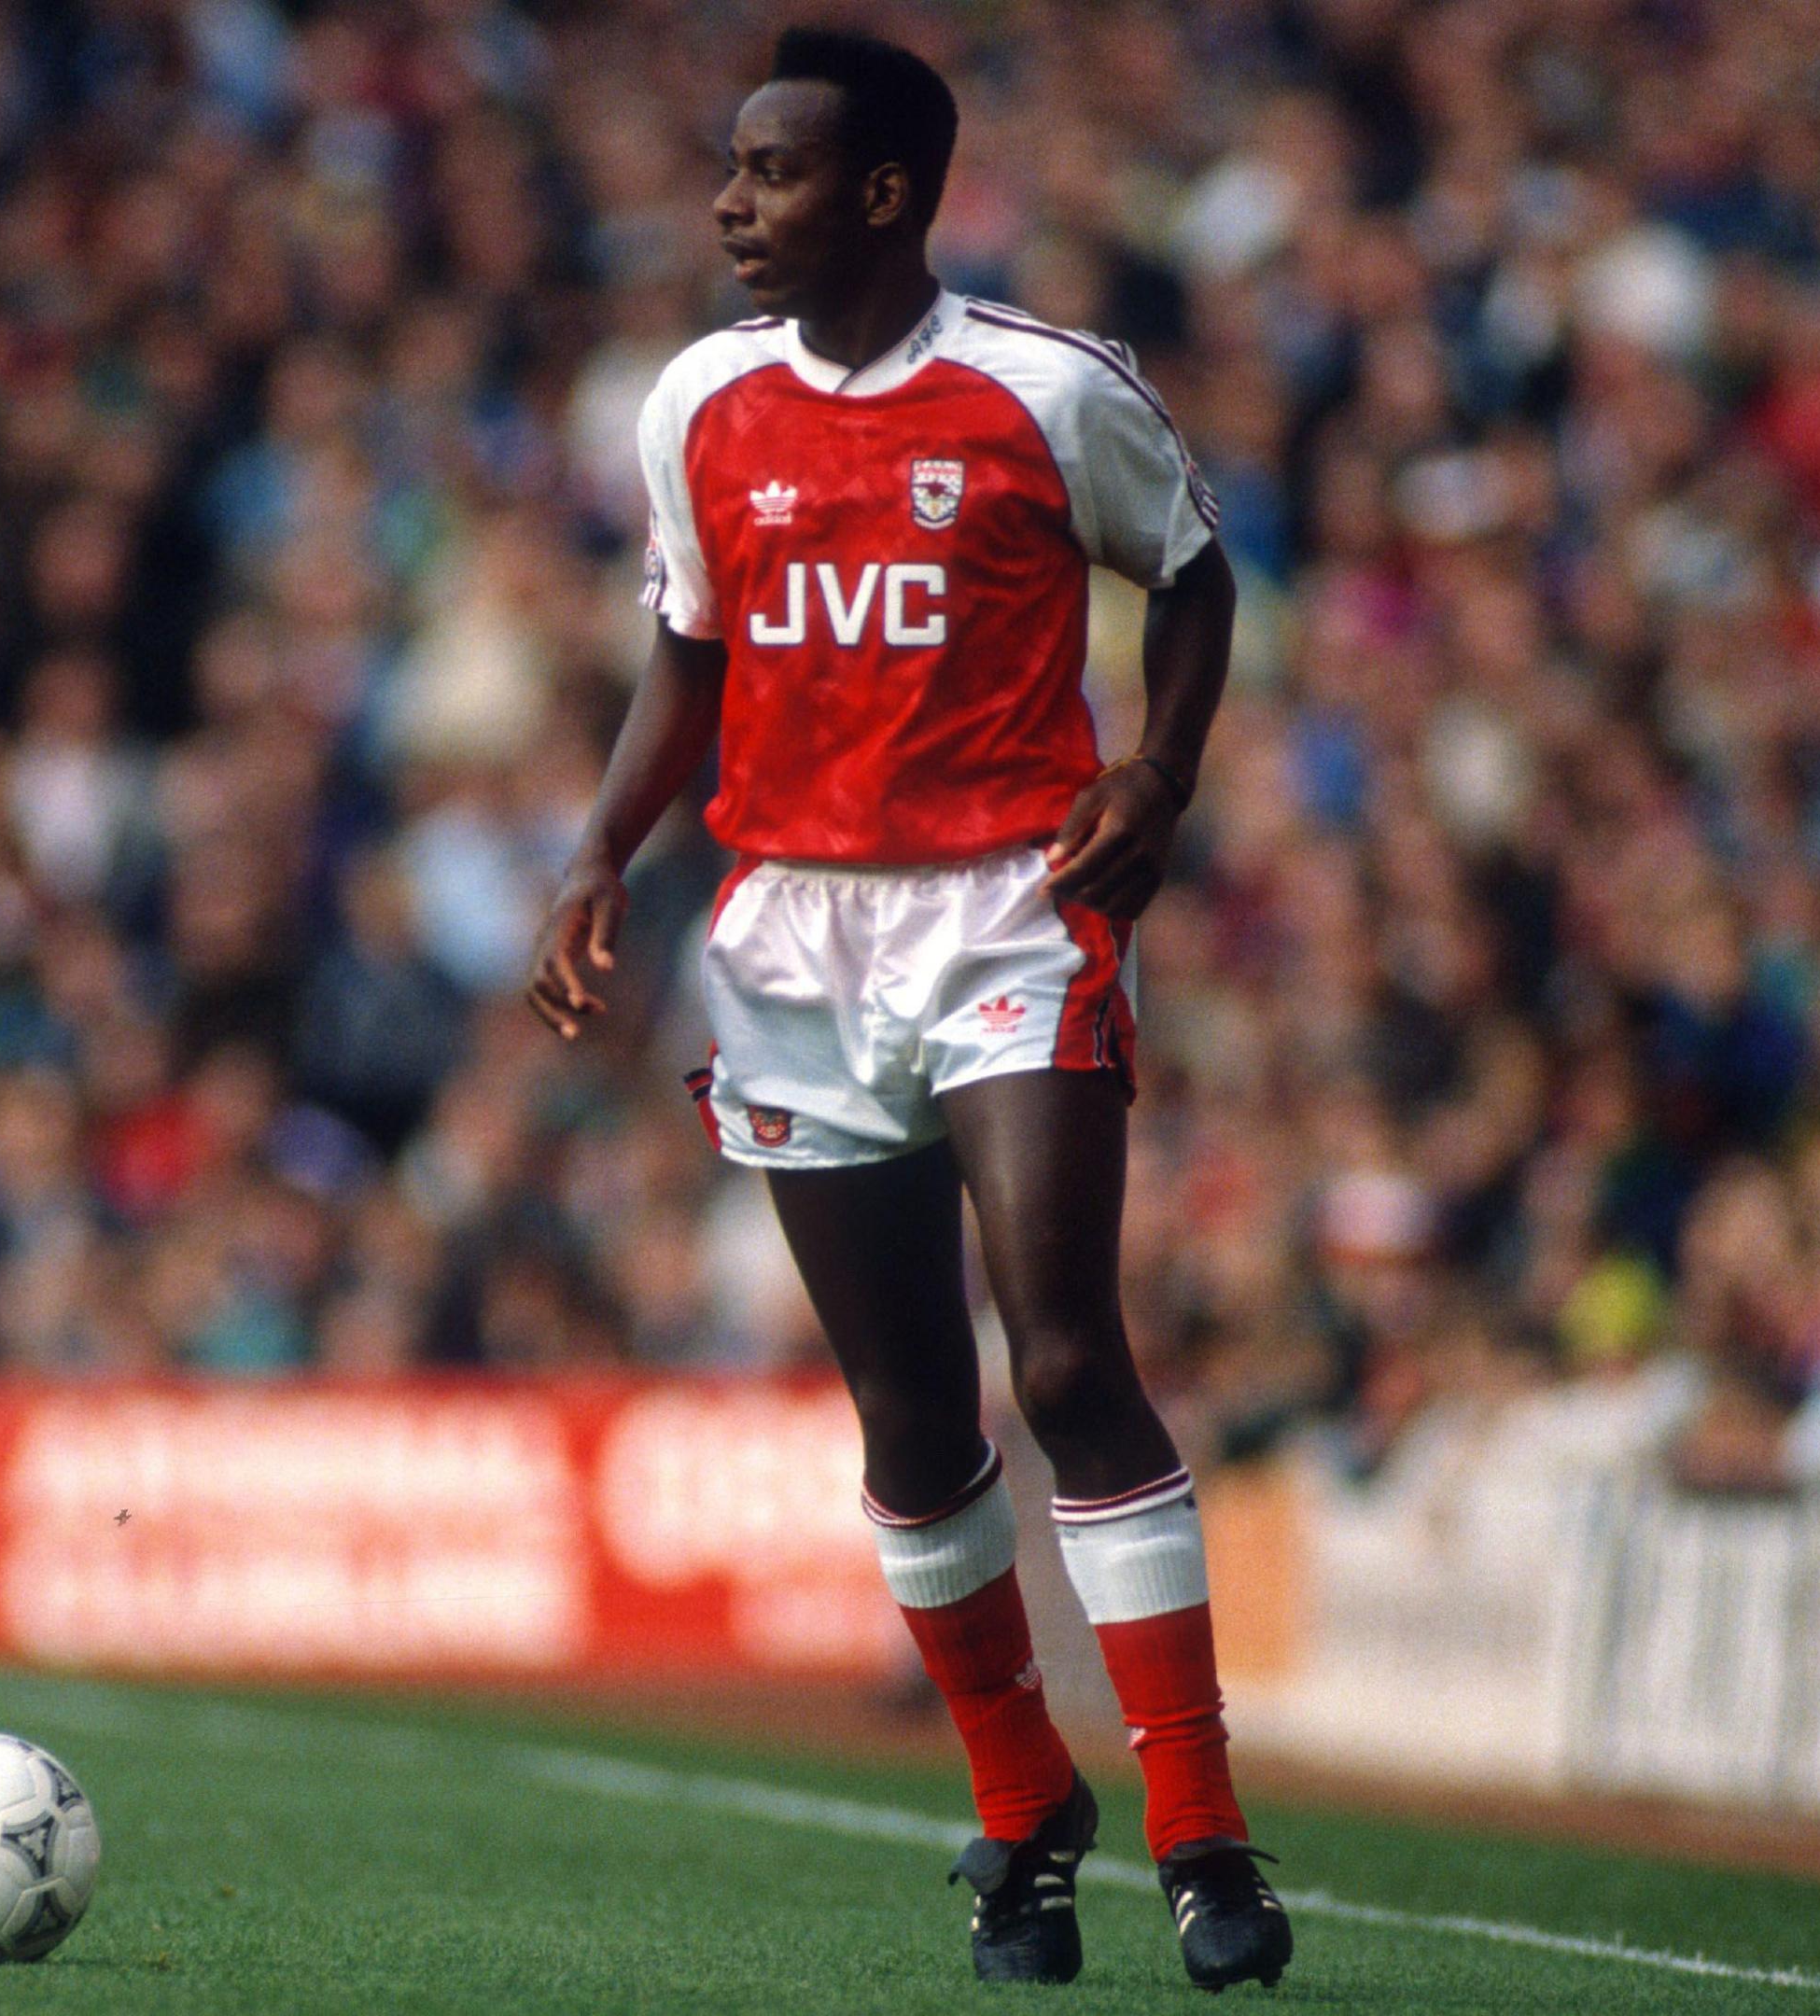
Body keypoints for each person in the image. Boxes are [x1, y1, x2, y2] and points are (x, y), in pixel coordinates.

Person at [527, 27, 1288, 1993]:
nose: (728, 203)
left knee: (1062, 1354)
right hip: (790, 936)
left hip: (1010, 912)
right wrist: (604, 854)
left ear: (882, 193)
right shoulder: (694, 403)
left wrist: (1162, 773)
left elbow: (1196, 578)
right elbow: (685, 653)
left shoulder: (1049, 392)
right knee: (907, 1414)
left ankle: (1203, 1836)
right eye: (729, 169)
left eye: (769, 173)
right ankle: (1028, 1809)